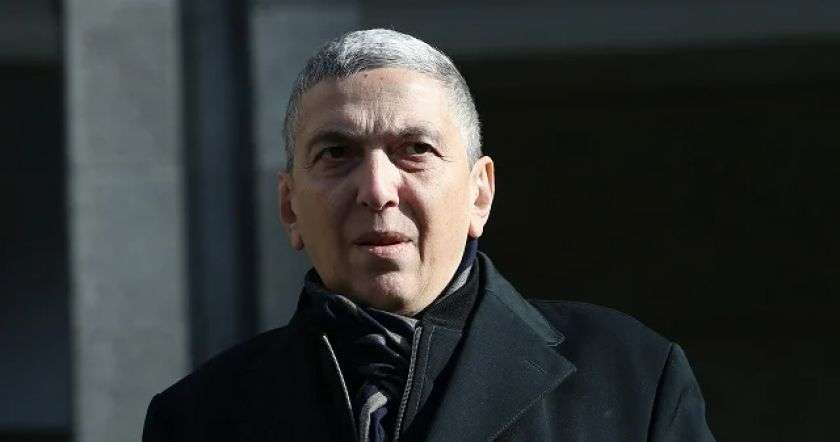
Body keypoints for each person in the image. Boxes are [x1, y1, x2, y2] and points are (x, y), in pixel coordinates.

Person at [142, 29, 714, 441]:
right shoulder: (197, 419)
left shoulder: (633, 380)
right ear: (290, 207)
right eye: (336, 153)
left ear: (479, 194)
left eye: (415, 150)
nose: (377, 190)